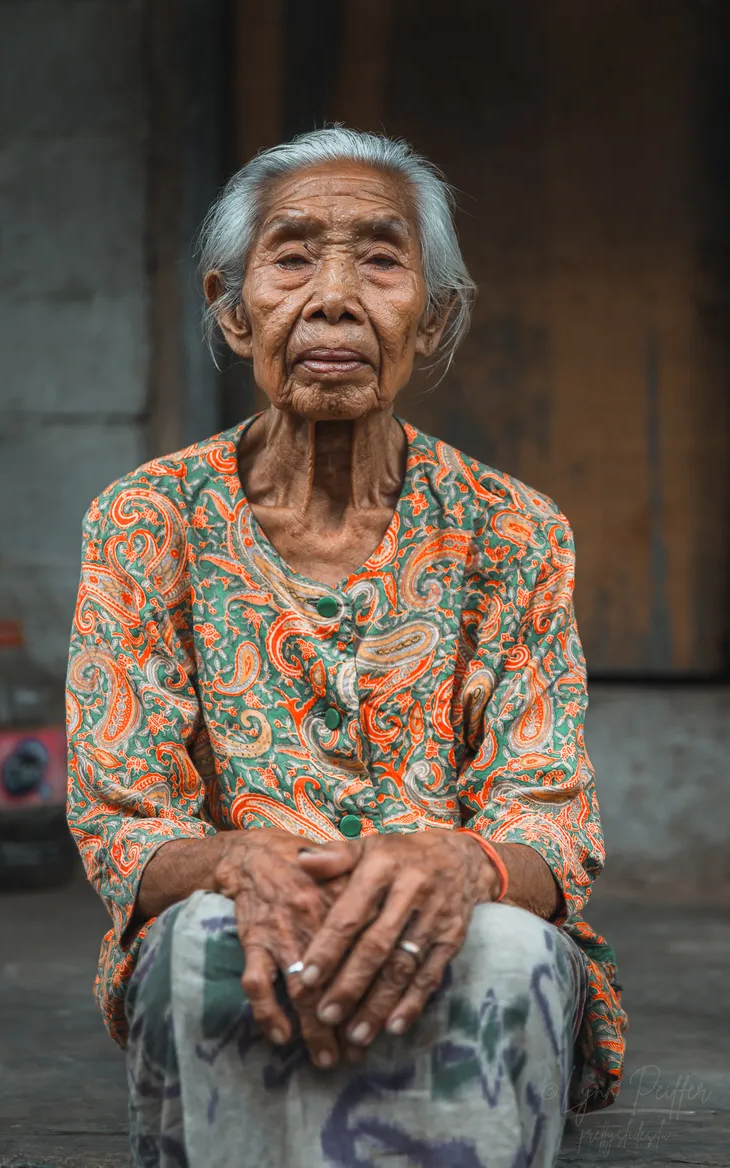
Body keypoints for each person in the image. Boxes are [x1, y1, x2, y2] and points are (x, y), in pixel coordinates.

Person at [66, 127, 626, 1168]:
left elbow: (549, 820)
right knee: (207, 948)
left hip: (455, 909)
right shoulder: (147, 520)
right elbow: (124, 822)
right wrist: (238, 861)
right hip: (237, 911)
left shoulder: (513, 529)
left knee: (503, 950)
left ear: (435, 314)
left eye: (379, 259)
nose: (333, 299)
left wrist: (458, 863)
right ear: (232, 309)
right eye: (291, 259)